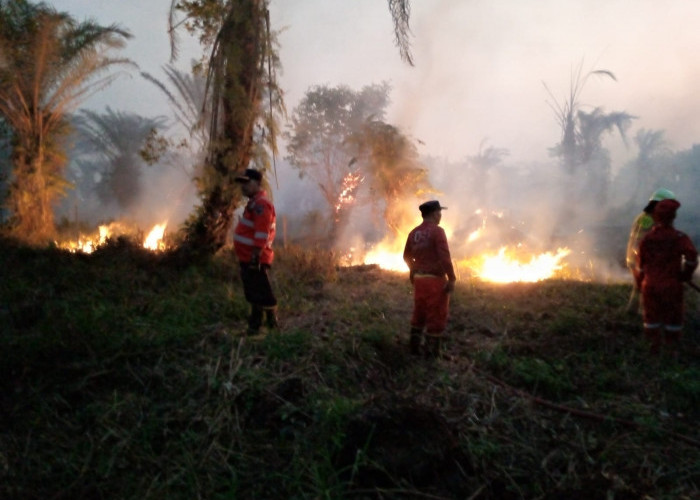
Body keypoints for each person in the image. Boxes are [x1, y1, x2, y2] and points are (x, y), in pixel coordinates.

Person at [635, 198, 698, 356]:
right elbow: (691, 257)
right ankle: (672, 349)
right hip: (672, 286)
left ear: (655, 217)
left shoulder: (647, 239)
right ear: (674, 216)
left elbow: (640, 267)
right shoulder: (679, 237)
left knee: (651, 319)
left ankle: (653, 349)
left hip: (650, 286)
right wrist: (685, 274)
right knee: (673, 319)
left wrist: (639, 284)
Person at [402, 200, 457, 358]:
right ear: (434, 214)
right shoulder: (438, 231)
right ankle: (432, 354)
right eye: (439, 213)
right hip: (435, 281)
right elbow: (445, 257)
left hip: (419, 281)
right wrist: (452, 278)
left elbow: (406, 256)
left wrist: (413, 270)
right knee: (437, 315)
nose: (440, 216)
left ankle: (414, 348)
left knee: (419, 312)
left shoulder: (413, 233)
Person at [233, 168, 278, 335]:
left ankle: (270, 327)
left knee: (262, 291)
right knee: (253, 293)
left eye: (246, 183)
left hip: (256, 258)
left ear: (257, 183)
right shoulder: (254, 203)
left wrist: (255, 257)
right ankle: (255, 326)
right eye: (242, 183)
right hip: (248, 258)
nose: (243, 187)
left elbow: (261, 233)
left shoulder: (261, 205)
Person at [625, 188, 676, 312]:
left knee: (639, 287)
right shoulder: (647, 219)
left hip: (643, 258)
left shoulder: (654, 218)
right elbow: (639, 241)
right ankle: (646, 314)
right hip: (641, 259)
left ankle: (633, 311)